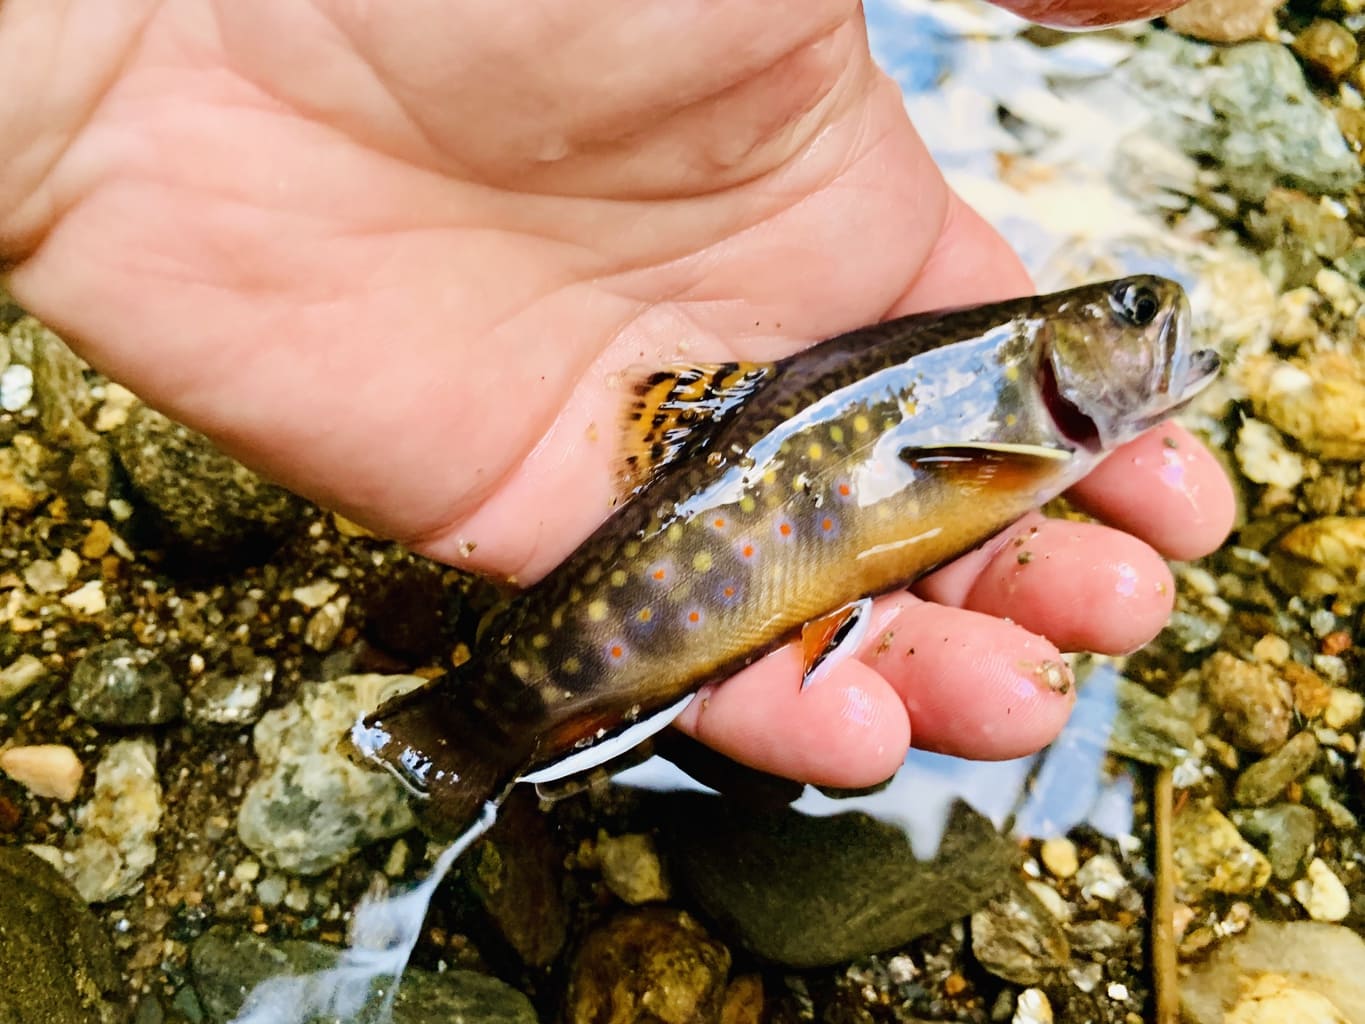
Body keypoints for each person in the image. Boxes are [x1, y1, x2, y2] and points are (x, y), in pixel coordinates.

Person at [0, 1, 1232, 787]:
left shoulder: (1016, 406)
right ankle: (487, 719)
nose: (1149, 318)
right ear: (1051, 357)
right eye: (1126, 313)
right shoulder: (1017, 408)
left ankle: (495, 719)